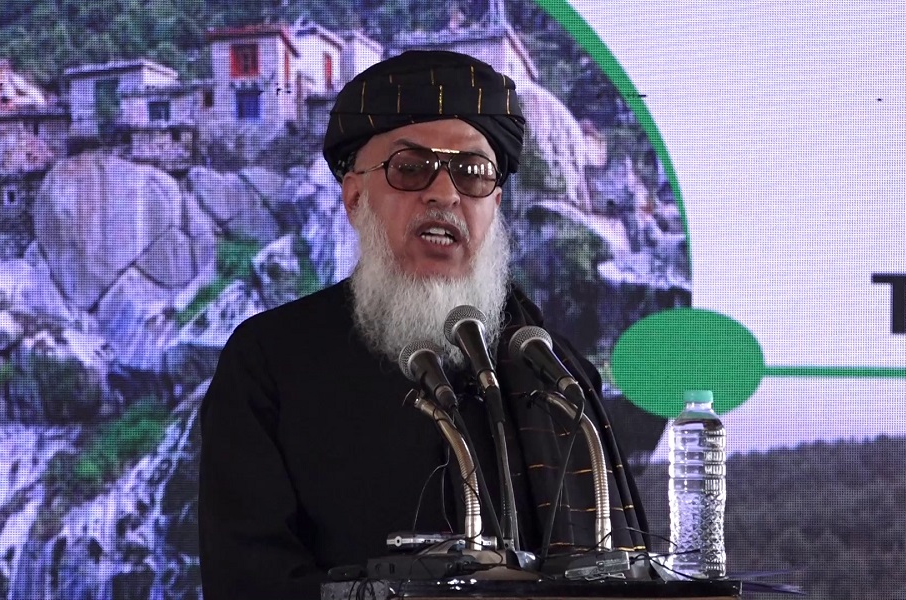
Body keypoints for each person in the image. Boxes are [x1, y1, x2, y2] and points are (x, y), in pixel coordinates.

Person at [198, 50, 649, 600]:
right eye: (410, 168)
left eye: (472, 173)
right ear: (355, 197)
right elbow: (248, 582)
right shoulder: (271, 361)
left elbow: (619, 568)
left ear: (494, 205)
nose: (444, 192)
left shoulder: (552, 373)